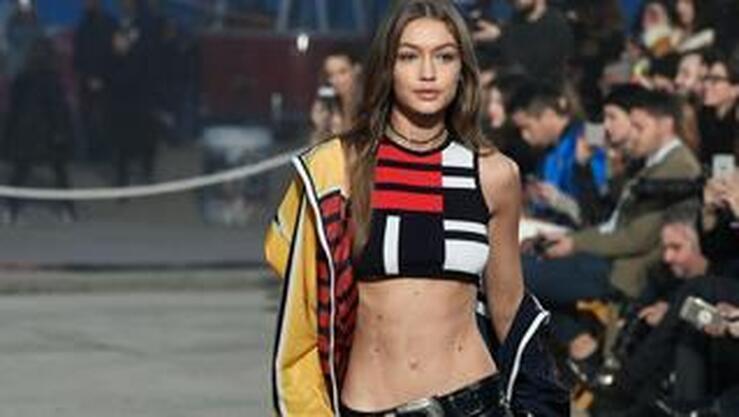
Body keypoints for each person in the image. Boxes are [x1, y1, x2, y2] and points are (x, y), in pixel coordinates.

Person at [264, 1, 566, 416]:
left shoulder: (493, 175)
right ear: (386, 68)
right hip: (368, 405)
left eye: (444, 56)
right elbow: (299, 283)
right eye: (409, 56)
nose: (428, 72)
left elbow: (509, 309)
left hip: (473, 403)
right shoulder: (338, 169)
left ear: (463, 69)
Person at [2, 37, 76, 223]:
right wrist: (62, 131)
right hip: (48, 134)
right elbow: (57, 109)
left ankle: (10, 210)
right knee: (60, 173)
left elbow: (13, 109)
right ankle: (68, 211)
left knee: (20, 173)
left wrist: (9, 134)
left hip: (24, 133)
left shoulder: (21, 78)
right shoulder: (52, 79)